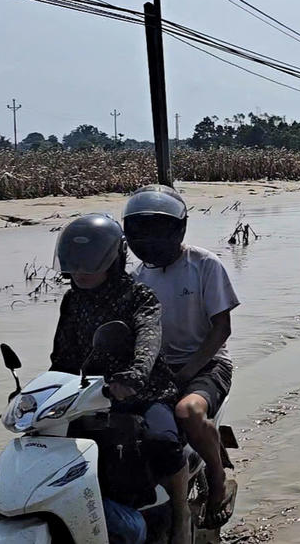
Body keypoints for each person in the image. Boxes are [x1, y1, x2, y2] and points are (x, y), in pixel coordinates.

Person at [49, 214, 182, 544]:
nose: (79, 273)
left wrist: (135, 376)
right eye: (74, 265)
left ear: (114, 260)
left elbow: (148, 339)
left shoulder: (140, 297)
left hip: (144, 391)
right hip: (90, 395)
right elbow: (61, 358)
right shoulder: (72, 300)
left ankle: (181, 519)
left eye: (89, 265)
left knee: (162, 443)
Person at [123, 185, 239, 535]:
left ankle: (217, 480)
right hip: (158, 370)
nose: (149, 239)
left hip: (209, 363)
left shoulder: (204, 265)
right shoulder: (137, 277)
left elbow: (222, 329)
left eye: (157, 229)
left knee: (188, 411)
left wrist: (188, 370)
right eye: (141, 230)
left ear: (177, 230)